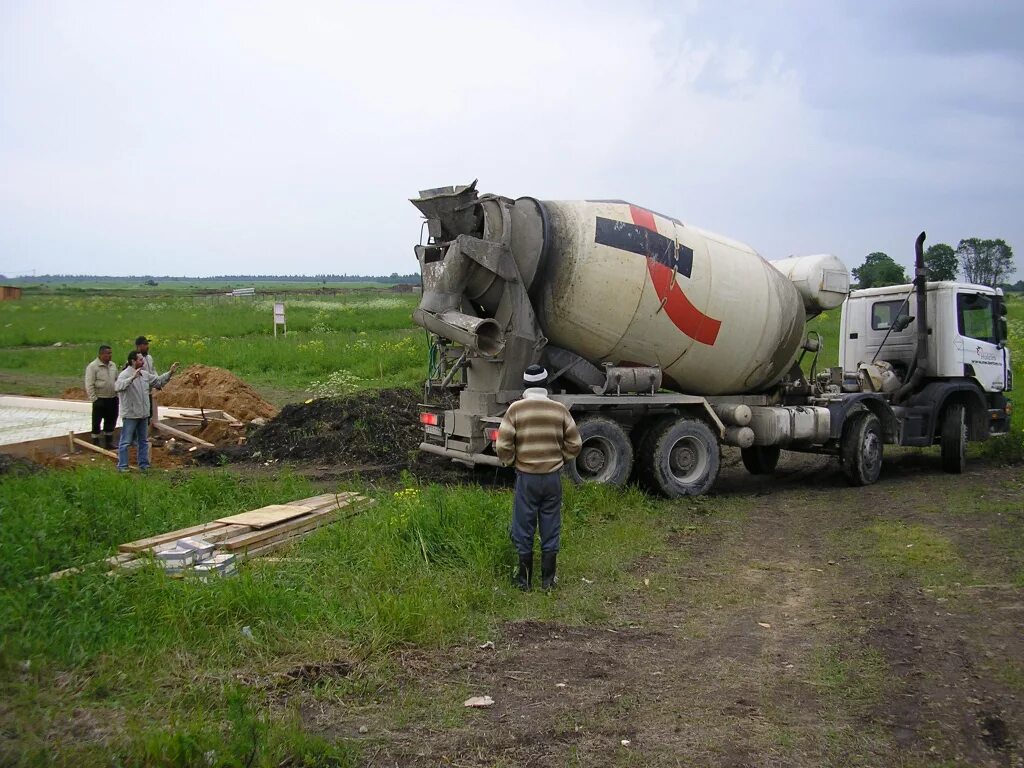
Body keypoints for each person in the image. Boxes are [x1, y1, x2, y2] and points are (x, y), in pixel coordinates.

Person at [495, 364, 582, 591]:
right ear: (545, 384)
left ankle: (524, 581)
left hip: (527, 478)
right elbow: (575, 444)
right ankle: (548, 581)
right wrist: (560, 459)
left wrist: (512, 460)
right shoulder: (559, 410)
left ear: (525, 385)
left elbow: (503, 445)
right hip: (552, 478)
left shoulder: (515, 410)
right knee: (550, 525)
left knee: (523, 526)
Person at [115, 351, 178, 471]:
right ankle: (122, 466)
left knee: (143, 441)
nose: (143, 362)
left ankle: (144, 465)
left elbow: (158, 381)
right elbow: (118, 387)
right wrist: (132, 378)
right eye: (140, 360)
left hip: (143, 414)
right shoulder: (124, 375)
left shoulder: (144, 374)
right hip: (131, 415)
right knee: (126, 441)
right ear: (133, 361)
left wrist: (170, 373)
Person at [84, 344, 119, 448]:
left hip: (112, 398)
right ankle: (95, 443)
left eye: (111, 353)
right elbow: (89, 384)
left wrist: (117, 395)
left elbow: (117, 380)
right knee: (97, 421)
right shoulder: (93, 367)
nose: (110, 355)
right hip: (100, 398)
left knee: (111, 420)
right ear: (101, 354)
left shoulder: (113, 365)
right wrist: (94, 398)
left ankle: (108, 442)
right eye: (108, 353)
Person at [135, 335, 161, 419]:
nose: (147, 346)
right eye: (145, 344)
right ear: (139, 346)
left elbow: (153, 370)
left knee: (149, 412)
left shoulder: (149, 358)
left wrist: (157, 381)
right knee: (142, 414)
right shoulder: (135, 359)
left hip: (149, 391)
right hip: (141, 392)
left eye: (147, 344)